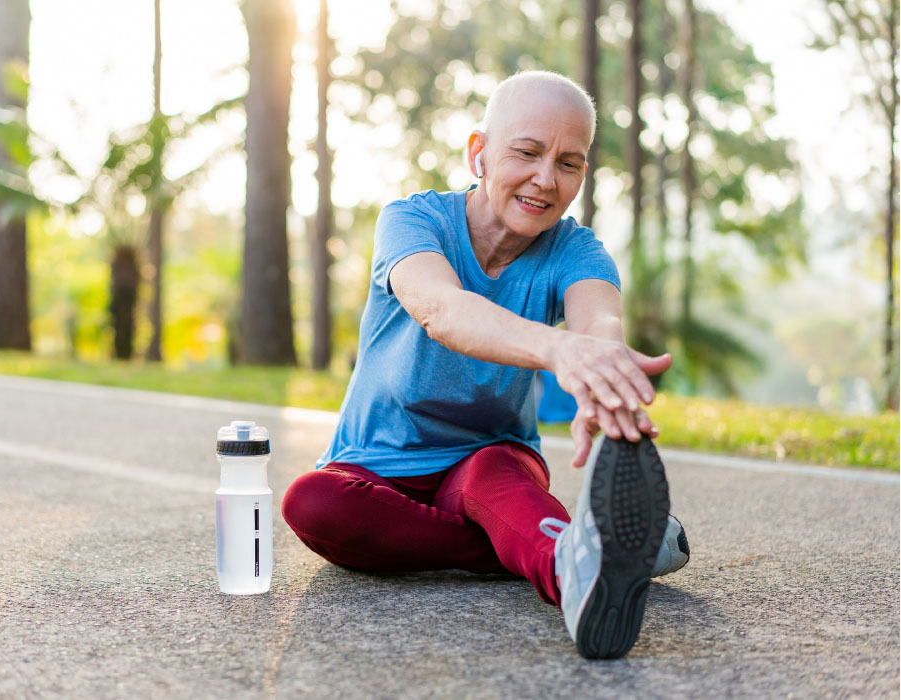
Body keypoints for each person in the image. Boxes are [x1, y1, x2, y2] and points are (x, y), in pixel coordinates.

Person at [282, 70, 689, 659]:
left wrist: (602, 364)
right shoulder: (413, 221)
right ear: (479, 152)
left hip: (489, 461)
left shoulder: (576, 249)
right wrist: (558, 350)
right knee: (313, 503)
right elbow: (442, 309)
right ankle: (583, 545)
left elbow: (599, 322)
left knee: (494, 479)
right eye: (527, 153)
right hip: (375, 468)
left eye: (569, 163)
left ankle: (570, 572)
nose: (545, 180)